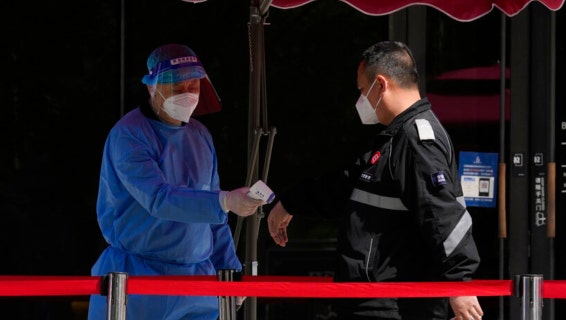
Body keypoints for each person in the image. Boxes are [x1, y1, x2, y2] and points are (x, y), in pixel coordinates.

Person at [267, 41, 483, 320]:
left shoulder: (417, 139)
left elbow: (442, 214)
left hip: (395, 304)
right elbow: (346, 188)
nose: (361, 100)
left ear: (380, 85)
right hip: (373, 298)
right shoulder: (395, 139)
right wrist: (291, 202)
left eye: (361, 90)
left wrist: (460, 281)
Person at [88, 43, 264, 320]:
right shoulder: (129, 135)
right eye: (176, 86)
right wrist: (226, 201)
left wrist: (231, 271)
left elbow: (214, 219)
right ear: (151, 87)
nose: (187, 94)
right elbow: (158, 198)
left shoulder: (200, 135)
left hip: (198, 283)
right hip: (137, 279)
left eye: (193, 85)